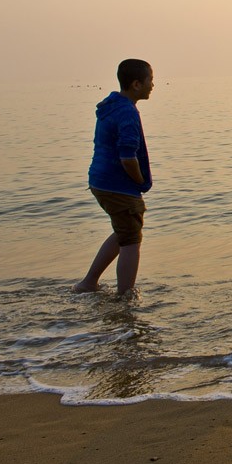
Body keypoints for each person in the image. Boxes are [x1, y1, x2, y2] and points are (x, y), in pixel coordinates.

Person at [73, 59, 155, 297]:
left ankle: (88, 283)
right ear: (137, 84)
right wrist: (140, 182)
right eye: (150, 80)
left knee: (122, 231)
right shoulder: (127, 111)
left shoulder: (112, 106)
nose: (153, 85)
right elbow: (128, 156)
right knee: (131, 238)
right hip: (118, 186)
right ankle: (125, 295)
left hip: (100, 181)